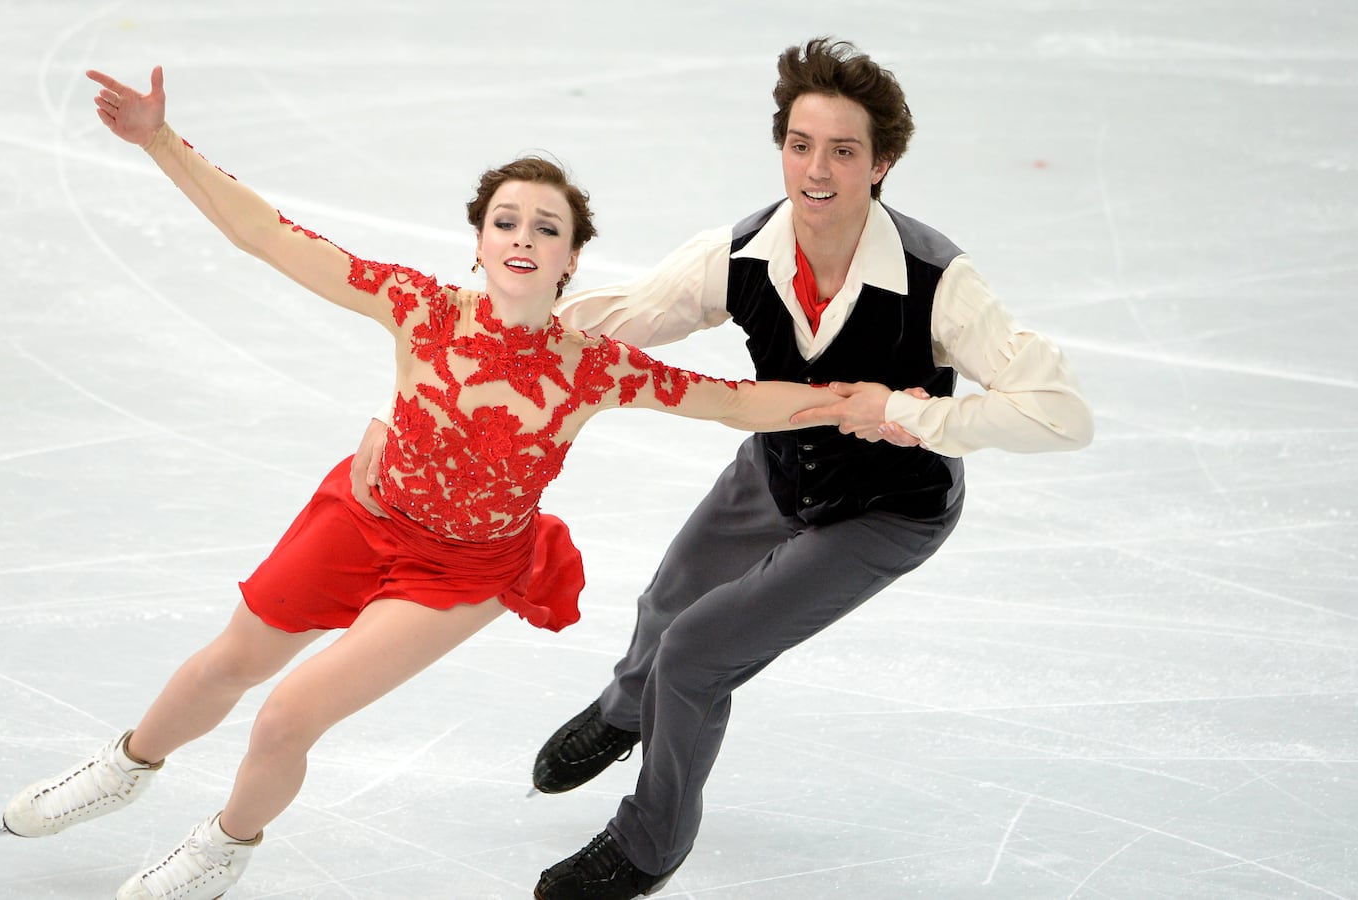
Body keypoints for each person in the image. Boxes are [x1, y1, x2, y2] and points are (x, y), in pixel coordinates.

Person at [0, 65, 853, 900]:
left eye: (545, 228)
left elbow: (733, 404)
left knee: (287, 715)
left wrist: (859, 402)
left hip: (463, 571)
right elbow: (268, 234)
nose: (522, 236)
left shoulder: (591, 368)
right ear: (478, 243)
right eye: (506, 221)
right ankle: (125, 767)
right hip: (362, 517)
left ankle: (224, 847)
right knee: (229, 664)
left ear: (571, 260)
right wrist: (160, 142)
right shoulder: (419, 309)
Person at [347, 34, 1096, 900]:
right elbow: (606, 321)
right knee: (667, 599)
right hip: (777, 470)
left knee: (696, 654)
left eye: (844, 151)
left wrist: (911, 413)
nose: (816, 170)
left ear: (882, 162)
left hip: (888, 509)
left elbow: (1061, 414)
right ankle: (629, 710)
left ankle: (648, 844)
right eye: (800, 144)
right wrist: (414, 394)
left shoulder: (937, 280)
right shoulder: (740, 254)